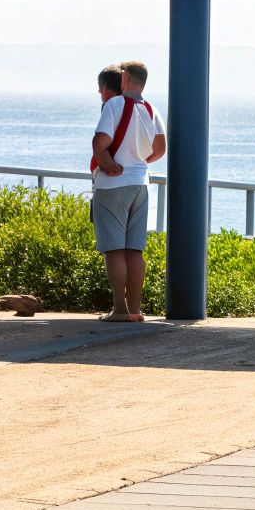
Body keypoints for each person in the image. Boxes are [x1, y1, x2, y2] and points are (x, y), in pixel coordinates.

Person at [91, 63, 166, 322]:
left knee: (114, 250)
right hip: (140, 184)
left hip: (113, 185)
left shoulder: (114, 105)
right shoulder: (151, 109)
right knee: (135, 250)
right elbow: (159, 149)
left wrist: (106, 160)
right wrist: (138, 161)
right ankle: (135, 309)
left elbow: (100, 141)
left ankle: (119, 309)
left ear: (124, 78)